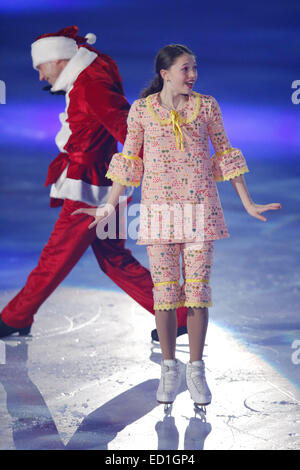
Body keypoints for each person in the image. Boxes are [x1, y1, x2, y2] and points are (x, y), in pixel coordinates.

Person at [73, 44, 282, 407]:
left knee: (198, 293)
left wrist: (247, 202)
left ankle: (196, 369)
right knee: (166, 295)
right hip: (159, 212)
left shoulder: (207, 107)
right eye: (186, 69)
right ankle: (169, 369)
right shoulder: (141, 111)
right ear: (165, 73)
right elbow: (129, 160)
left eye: (195, 68)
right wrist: (108, 206)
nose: (193, 75)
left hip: (200, 211)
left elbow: (225, 153)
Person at [0, 26, 188, 339]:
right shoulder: (87, 77)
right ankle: (179, 314)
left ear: (59, 60)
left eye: (40, 67)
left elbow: (129, 131)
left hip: (90, 190)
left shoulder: (90, 84)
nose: (40, 77)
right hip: (103, 182)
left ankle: (16, 316)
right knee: (114, 259)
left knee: (55, 258)